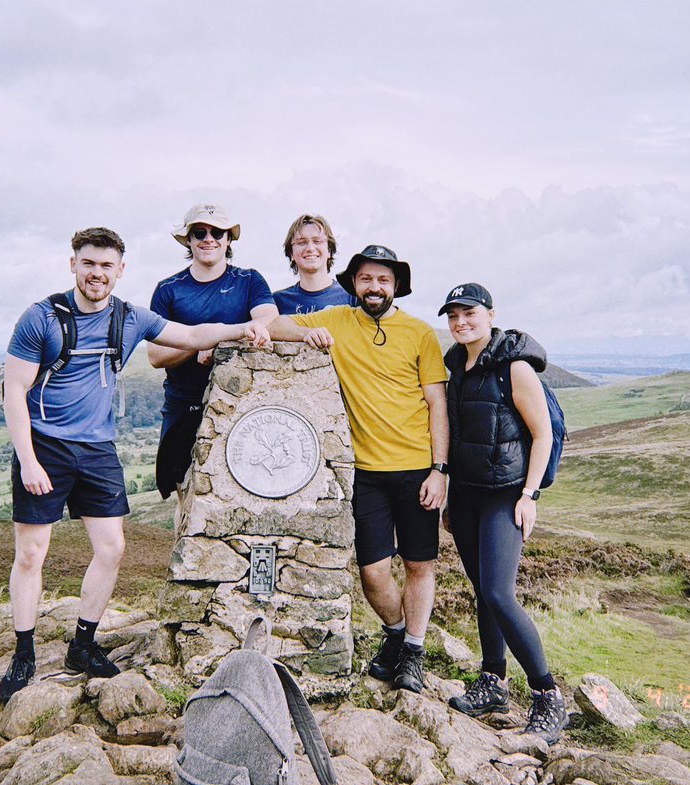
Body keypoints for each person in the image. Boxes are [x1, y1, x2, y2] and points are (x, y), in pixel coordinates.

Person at [1, 226, 270, 704]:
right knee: (30, 553)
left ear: (120, 271)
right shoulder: (40, 318)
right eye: (88, 263)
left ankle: (82, 646)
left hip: (99, 449)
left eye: (106, 266)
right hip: (46, 445)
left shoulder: (130, 318)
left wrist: (240, 329)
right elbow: (14, 391)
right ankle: (23, 654)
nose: (97, 273)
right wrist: (27, 461)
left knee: (112, 549)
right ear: (73, 265)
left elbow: (190, 335)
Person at [269, 245, 448, 694]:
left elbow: (437, 404)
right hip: (366, 472)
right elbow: (271, 326)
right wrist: (304, 335)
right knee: (372, 572)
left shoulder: (420, 333)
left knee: (419, 565)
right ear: (353, 283)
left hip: (417, 470)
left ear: (396, 287)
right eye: (366, 279)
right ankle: (395, 634)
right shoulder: (334, 320)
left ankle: (413, 652)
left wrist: (440, 469)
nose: (375, 287)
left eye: (383, 280)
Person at [439, 281, 568, 743]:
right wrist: (452, 496)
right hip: (468, 495)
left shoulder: (514, 367)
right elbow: (458, 437)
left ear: (490, 315)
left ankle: (548, 695)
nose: (460, 322)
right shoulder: (456, 364)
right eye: (453, 315)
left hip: (505, 494)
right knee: (481, 591)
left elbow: (542, 435)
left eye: (469, 313)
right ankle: (492, 681)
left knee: (498, 592)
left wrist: (529, 495)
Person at [148, 203, 278, 499]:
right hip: (184, 405)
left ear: (228, 240)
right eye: (199, 232)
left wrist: (222, 341)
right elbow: (156, 356)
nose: (209, 238)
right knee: (185, 491)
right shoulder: (168, 289)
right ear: (189, 240)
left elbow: (269, 317)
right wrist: (199, 344)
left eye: (217, 232)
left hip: (240, 404)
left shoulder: (249, 281)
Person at [272, 213, 356, 314]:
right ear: (291, 254)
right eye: (302, 242)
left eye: (317, 241)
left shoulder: (352, 297)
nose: (310, 249)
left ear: (329, 250)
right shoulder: (277, 302)